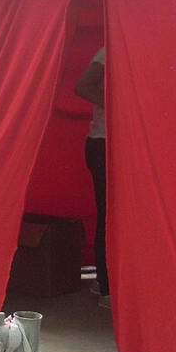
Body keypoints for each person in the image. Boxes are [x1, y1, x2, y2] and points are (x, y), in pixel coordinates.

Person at [74, 47, 109, 308]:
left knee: (115, 216)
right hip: (103, 143)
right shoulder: (109, 52)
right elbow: (83, 86)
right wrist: (117, 105)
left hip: (114, 144)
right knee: (110, 215)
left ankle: (106, 280)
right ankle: (106, 285)